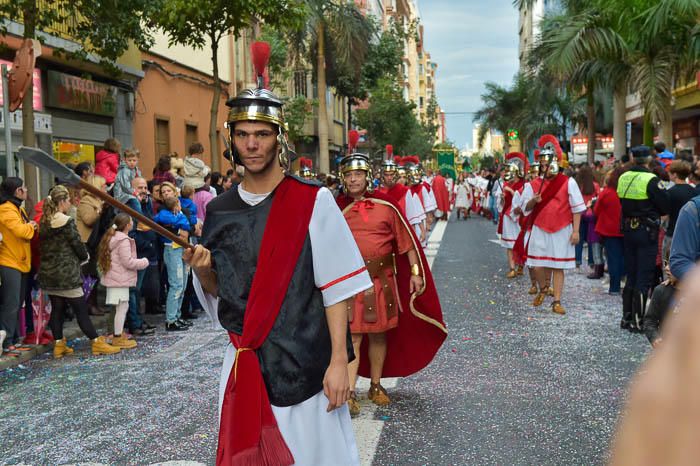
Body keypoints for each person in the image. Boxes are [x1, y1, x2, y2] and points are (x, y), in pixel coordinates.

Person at [185, 42, 372, 465]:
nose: (252, 144)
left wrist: (339, 362)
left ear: (278, 138)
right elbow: (223, 299)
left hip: (306, 364)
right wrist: (204, 272)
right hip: (246, 365)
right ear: (232, 140)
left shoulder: (313, 201)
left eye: (262, 134)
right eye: (243, 135)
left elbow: (337, 288)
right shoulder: (219, 209)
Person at [336, 148, 446, 418]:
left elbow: (407, 243)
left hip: (382, 282)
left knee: (378, 335)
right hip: (351, 283)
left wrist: (417, 273)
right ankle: (349, 392)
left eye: (358, 174)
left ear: (367, 176)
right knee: (354, 337)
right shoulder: (334, 209)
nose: (353, 180)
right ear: (343, 178)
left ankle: (375, 385)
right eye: (348, 175)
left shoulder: (387, 207)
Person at [39, 185, 120, 357]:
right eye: (68, 200)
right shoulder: (66, 221)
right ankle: (96, 342)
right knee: (80, 309)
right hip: (67, 272)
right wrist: (85, 257)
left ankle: (59, 345)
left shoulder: (44, 220)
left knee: (57, 308)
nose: (70, 203)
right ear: (62, 202)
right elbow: (77, 243)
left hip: (49, 272)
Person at [520, 135, 586, 315]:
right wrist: (533, 201)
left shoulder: (568, 182)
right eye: (542, 164)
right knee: (537, 265)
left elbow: (577, 208)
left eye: (547, 164)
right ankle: (543, 287)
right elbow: (524, 208)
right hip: (539, 228)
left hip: (562, 229)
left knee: (558, 267)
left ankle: (556, 300)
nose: (544, 167)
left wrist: (576, 231)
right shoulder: (532, 184)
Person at [618, 145, 670, 332]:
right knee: (644, 275)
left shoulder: (623, 177)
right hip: (646, 230)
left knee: (631, 274)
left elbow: (621, 202)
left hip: (628, 229)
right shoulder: (651, 179)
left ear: (633, 158)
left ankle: (627, 317)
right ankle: (638, 321)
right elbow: (665, 205)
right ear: (648, 159)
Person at [98, 213, 149, 349]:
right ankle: (117, 336)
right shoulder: (123, 240)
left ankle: (117, 335)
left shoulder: (113, 237)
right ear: (127, 225)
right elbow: (127, 262)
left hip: (114, 278)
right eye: (131, 221)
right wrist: (143, 262)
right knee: (122, 307)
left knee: (119, 307)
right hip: (120, 279)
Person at [0, 177, 37, 357]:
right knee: (11, 304)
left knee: (17, 304)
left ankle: (14, 340)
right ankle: (6, 343)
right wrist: (31, 226)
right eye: (24, 187)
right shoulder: (6, 209)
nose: (27, 190)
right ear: (17, 191)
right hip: (9, 262)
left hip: (20, 262)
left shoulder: (17, 208)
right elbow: (21, 231)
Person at [154, 197, 191, 331]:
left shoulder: (180, 214)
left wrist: (178, 225)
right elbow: (162, 220)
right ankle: (171, 320)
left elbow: (188, 223)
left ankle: (177, 315)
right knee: (176, 285)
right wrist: (179, 226)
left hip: (182, 249)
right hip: (171, 249)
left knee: (183, 285)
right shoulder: (164, 213)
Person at [593, 168, 625, 294]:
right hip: (625, 229)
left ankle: (614, 287)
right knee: (624, 257)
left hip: (609, 230)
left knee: (613, 259)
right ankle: (624, 280)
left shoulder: (606, 193)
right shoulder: (625, 192)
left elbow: (596, 211)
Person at [662, 160, 695, 279]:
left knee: (668, 267)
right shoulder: (694, 191)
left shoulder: (669, 193)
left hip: (672, 234)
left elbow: (664, 217)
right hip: (692, 236)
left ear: (675, 174)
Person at [499, 153, 528, 278]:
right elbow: (501, 205)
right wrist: (502, 199)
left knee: (519, 242)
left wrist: (511, 191)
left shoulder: (525, 185)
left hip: (519, 218)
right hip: (507, 216)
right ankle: (512, 268)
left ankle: (520, 265)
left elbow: (524, 200)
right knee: (509, 245)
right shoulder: (506, 184)